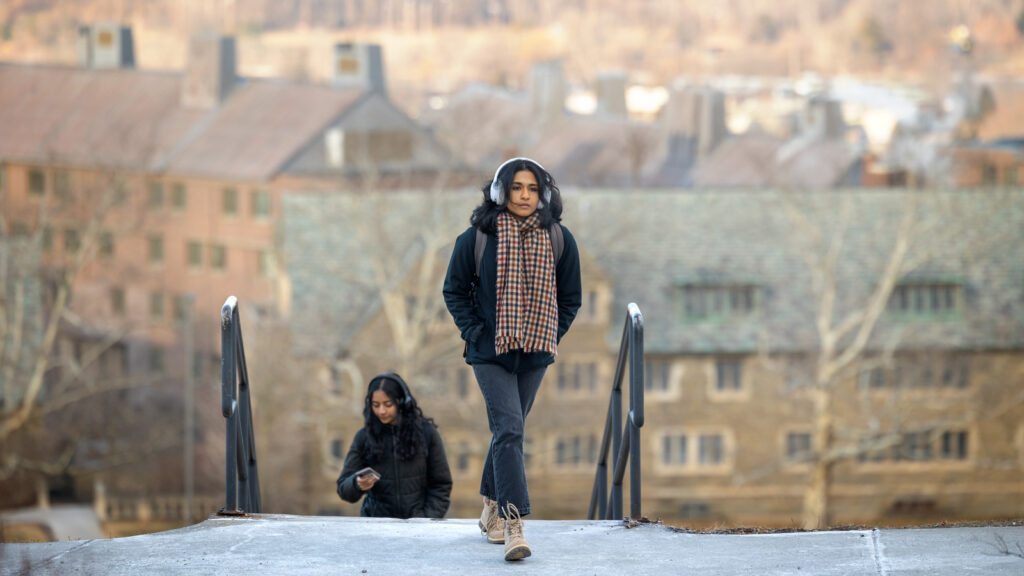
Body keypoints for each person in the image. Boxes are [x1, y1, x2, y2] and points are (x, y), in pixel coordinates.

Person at [443, 157, 582, 561]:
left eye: (532, 189)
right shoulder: (477, 238)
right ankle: (512, 523)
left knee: (509, 431)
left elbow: (570, 298)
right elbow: (454, 289)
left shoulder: (559, 239)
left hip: (535, 353)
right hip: (490, 351)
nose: (524, 196)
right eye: (517, 188)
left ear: (544, 194)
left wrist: (551, 333)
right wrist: (475, 331)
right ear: (501, 192)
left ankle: (490, 507)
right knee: (510, 429)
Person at [336, 373, 452, 519]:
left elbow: (441, 484)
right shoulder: (363, 437)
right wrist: (356, 484)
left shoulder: (427, 433)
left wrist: (425, 519)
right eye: (375, 405)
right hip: (376, 525)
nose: (381, 411)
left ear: (402, 402)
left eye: (388, 404)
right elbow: (343, 489)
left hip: (419, 525)